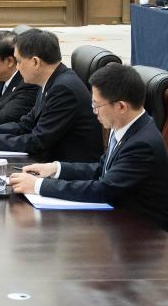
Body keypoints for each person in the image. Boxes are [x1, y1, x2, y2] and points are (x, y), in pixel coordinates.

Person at [10, 64, 168, 229]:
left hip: (142, 231)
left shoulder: (142, 144)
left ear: (121, 106)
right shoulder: (123, 127)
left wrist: (38, 186)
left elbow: (104, 189)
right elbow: (102, 170)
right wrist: (55, 168)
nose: (94, 112)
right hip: (117, 220)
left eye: (97, 105)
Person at [0, 29, 104, 162]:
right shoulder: (51, 81)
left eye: (18, 61)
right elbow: (25, 126)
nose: (16, 67)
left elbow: (37, 141)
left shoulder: (63, 89)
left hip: (68, 170)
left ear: (35, 62)